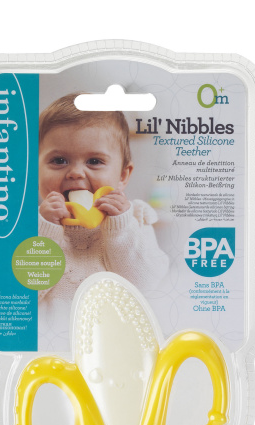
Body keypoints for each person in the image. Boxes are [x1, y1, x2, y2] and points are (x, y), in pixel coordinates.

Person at [37, 93, 169, 347]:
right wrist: (46, 232)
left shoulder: (135, 220)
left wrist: (121, 228)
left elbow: (147, 286)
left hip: (116, 346)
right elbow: (22, 300)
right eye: (59, 160)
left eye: (94, 161)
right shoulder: (30, 228)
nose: (76, 173)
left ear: (122, 176)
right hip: (51, 347)